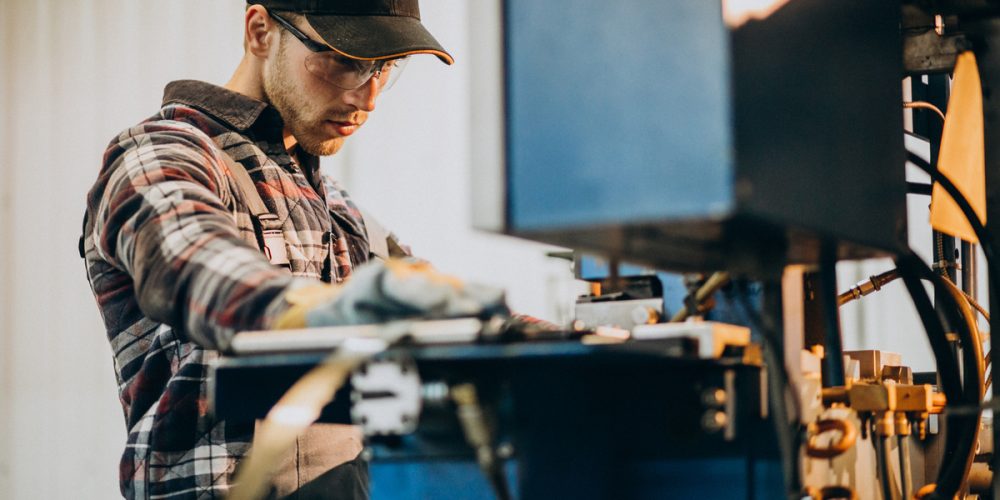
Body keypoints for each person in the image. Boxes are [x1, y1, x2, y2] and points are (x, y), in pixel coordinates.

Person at [80, 1, 501, 498]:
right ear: (261, 32)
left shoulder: (343, 212)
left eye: (385, 68)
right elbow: (193, 262)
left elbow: (445, 310)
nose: (368, 98)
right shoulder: (161, 154)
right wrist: (317, 311)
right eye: (345, 61)